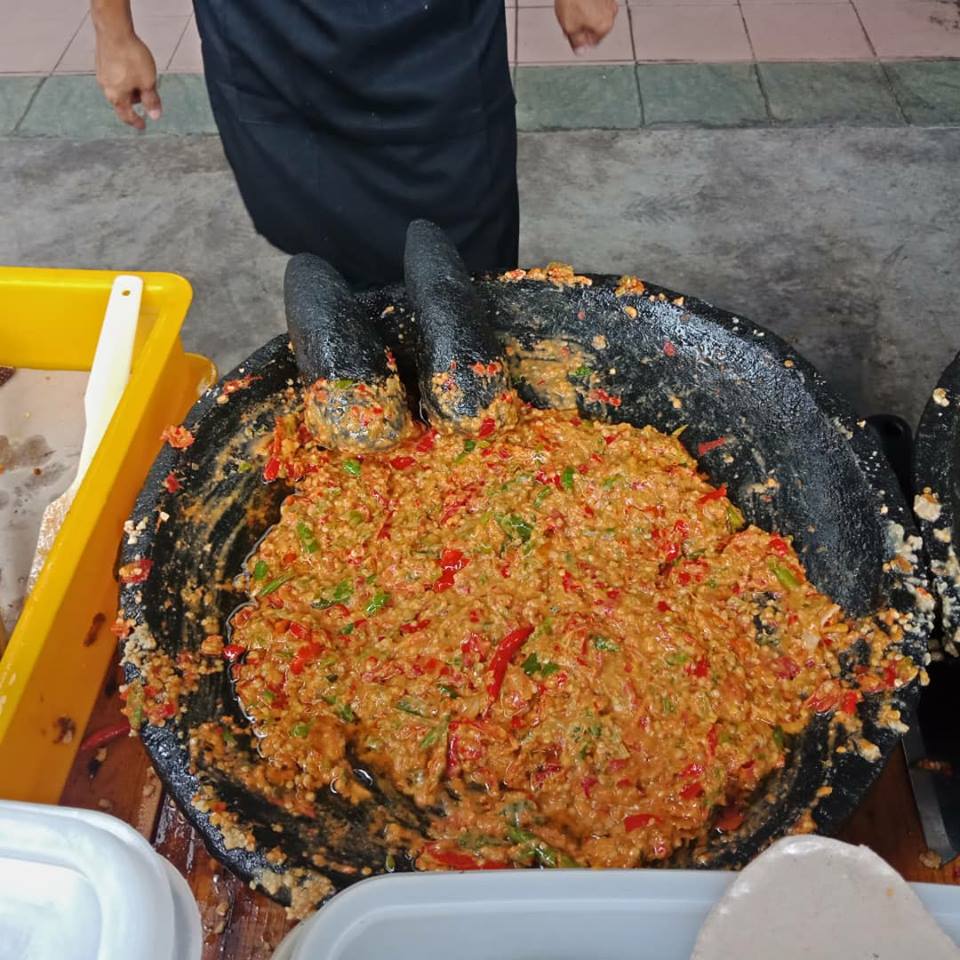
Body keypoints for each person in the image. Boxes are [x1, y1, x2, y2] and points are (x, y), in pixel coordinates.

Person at [92, 0, 617, 286]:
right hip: (271, 32)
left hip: (436, 32)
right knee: (322, 241)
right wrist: (113, 31)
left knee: (466, 258)